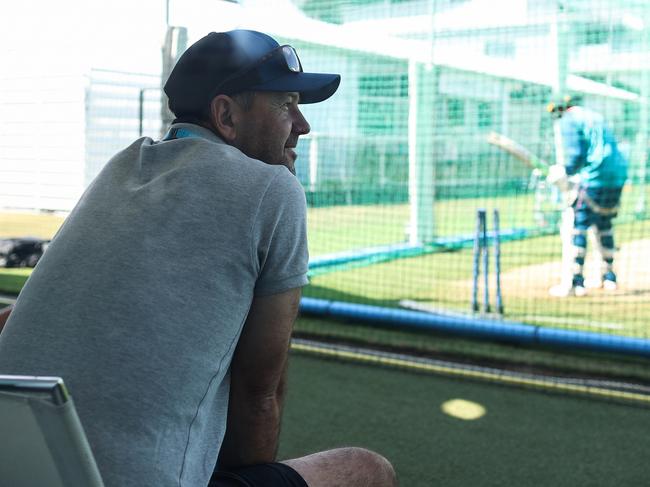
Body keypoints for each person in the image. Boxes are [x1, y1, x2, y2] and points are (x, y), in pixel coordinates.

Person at [0, 30, 397, 487]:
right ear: (226, 115)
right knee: (368, 470)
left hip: (15, 468)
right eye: (285, 104)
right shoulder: (273, 189)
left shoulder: (120, 166)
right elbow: (258, 395)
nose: (302, 125)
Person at [546, 95, 628, 297]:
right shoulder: (594, 116)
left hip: (593, 178)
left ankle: (576, 282)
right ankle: (609, 278)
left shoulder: (569, 120)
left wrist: (565, 171)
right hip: (616, 177)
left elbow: (577, 154)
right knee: (604, 224)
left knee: (578, 226)